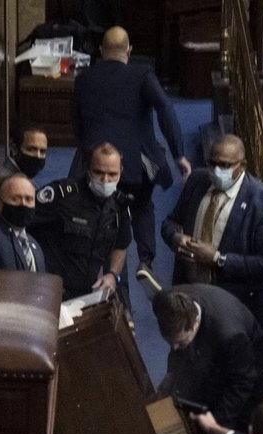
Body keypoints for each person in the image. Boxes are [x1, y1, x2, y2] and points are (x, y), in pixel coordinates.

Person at [70, 26, 191, 291]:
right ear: (129, 50)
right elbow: (165, 109)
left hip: (95, 163)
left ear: (101, 51)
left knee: (102, 217)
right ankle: (146, 261)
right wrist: (178, 153)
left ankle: (113, 278)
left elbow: (76, 124)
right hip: (137, 165)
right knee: (143, 206)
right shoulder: (141, 74)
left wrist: (87, 150)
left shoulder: (83, 79)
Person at [161, 134, 263, 327]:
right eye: (213, 163)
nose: (217, 170)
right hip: (190, 296)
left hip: (234, 308)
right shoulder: (197, 181)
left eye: (225, 165)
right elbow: (170, 222)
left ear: (242, 166)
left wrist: (218, 259)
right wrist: (175, 237)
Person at [153, 284, 263, 430]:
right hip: (217, 357)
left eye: (180, 342)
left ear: (194, 324)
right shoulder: (167, 301)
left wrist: (213, 430)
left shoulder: (230, 335)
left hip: (256, 373)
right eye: (170, 342)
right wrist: (172, 378)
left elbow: (242, 383)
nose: (174, 348)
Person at [28, 142, 132, 301]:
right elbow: (23, 222)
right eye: (99, 172)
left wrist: (112, 274)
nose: (105, 180)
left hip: (87, 296)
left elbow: (121, 245)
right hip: (50, 292)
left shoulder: (120, 205)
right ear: (88, 169)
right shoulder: (63, 195)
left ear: (121, 171)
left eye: (112, 174)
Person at [0, 124, 49, 224]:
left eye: (42, 151)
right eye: (31, 149)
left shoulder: (15, 173)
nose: (38, 156)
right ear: (14, 149)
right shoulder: (7, 180)